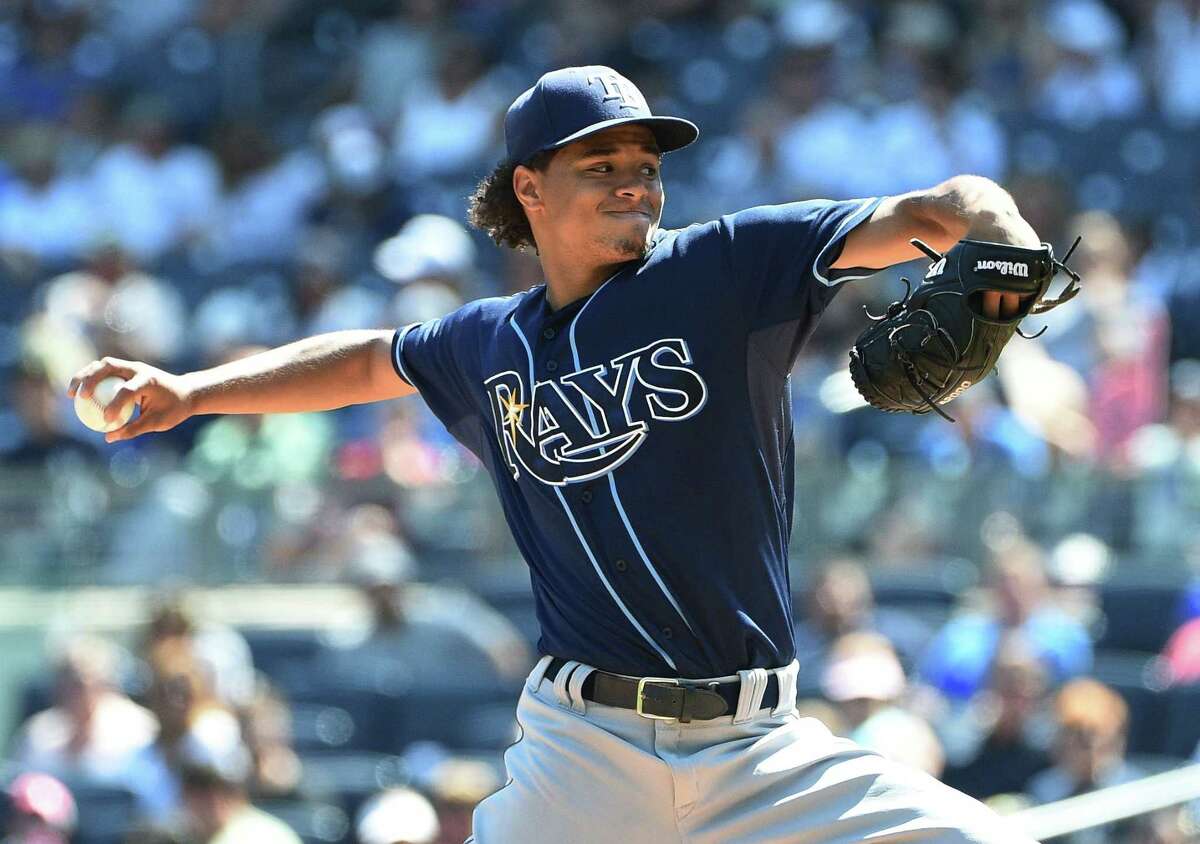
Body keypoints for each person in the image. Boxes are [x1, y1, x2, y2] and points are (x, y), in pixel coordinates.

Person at [70, 65, 1042, 841]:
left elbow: (941, 208)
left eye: (647, 161)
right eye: (602, 161)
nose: (636, 178)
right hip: (585, 752)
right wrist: (195, 391)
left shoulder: (727, 265)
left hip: (758, 747)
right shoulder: (485, 341)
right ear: (528, 186)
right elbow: (368, 359)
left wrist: (1001, 238)